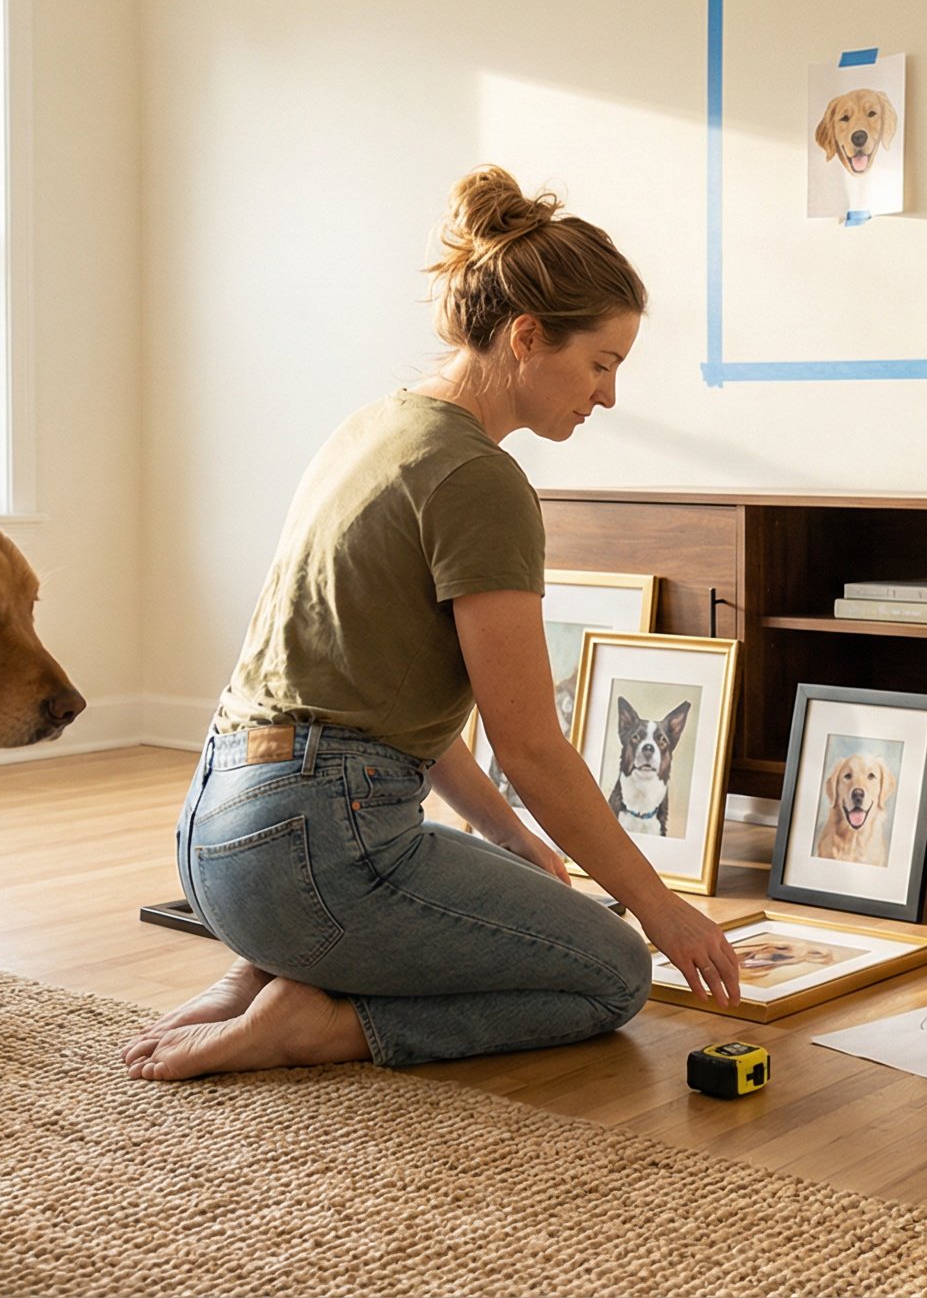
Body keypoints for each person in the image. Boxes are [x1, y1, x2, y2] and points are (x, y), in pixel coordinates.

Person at [124, 167, 740, 1081]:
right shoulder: (481, 480)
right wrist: (661, 909)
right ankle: (312, 1024)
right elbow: (528, 745)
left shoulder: (374, 429)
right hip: (310, 851)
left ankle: (262, 974)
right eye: (601, 364)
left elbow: (395, 714)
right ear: (528, 337)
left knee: (495, 881)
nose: (606, 396)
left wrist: (515, 842)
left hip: (219, 843)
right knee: (610, 975)